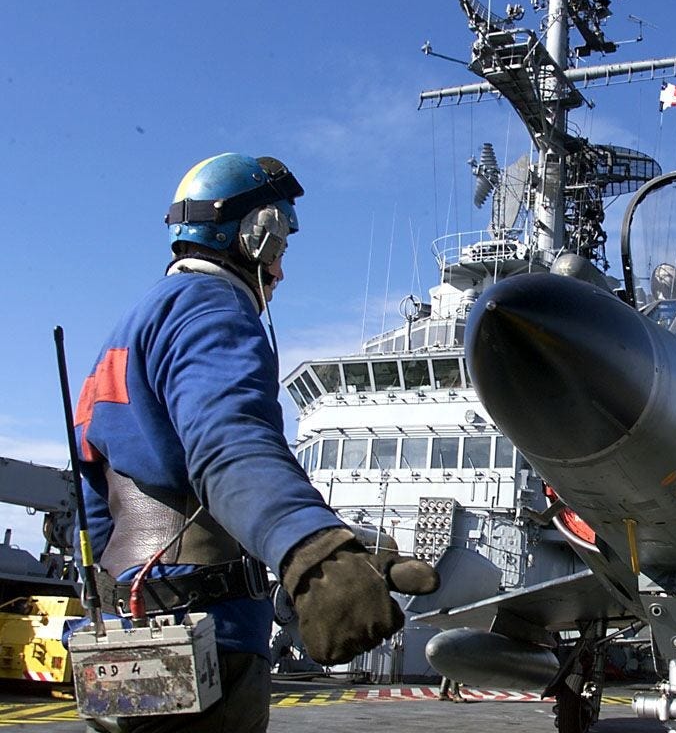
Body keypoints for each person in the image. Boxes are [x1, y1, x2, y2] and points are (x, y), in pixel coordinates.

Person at [73, 153, 439, 732]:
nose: (281, 273)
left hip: (129, 634)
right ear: (256, 236)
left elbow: (94, 508)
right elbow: (229, 441)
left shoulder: (128, 331)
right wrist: (313, 552)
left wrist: (113, 609)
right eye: (281, 251)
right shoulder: (211, 310)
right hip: (209, 640)